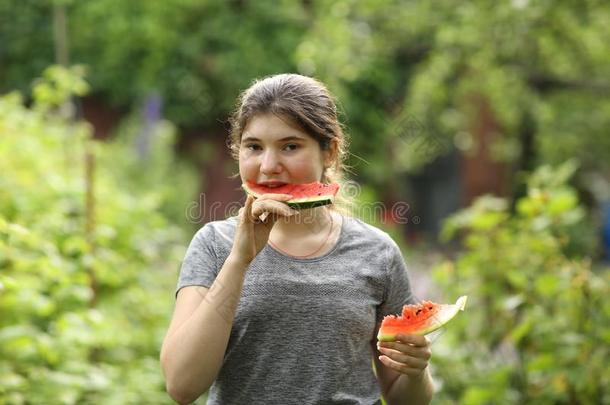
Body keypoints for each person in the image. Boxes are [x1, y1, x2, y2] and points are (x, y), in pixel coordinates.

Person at [160, 73, 434, 404]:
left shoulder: (377, 253)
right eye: (254, 147)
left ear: (329, 152)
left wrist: (416, 372)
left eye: (290, 146)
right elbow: (181, 385)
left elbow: (403, 397)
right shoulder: (214, 245)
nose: (269, 165)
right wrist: (239, 260)